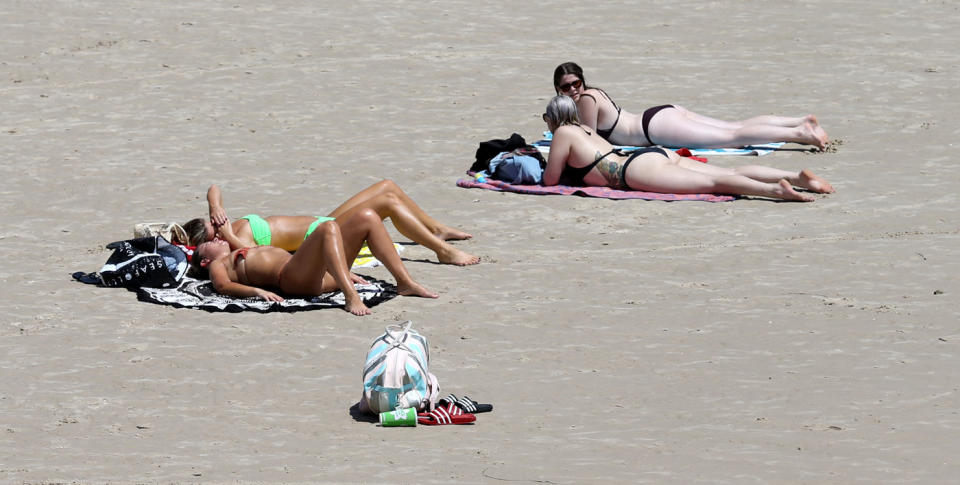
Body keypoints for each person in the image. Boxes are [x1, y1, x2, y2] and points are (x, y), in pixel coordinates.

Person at [542, 95, 834, 202]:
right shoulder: (585, 129)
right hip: (650, 154)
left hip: (634, 171)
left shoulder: (563, 133)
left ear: (550, 119)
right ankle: (795, 176)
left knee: (715, 182)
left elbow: (550, 180)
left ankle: (777, 191)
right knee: (726, 169)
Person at [192, 209, 438, 316]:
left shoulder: (236, 244)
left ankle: (404, 282)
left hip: (314, 273)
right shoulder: (219, 264)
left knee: (367, 217)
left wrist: (220, 220)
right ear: (204, 260)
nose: (218, 240)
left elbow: (214, 190)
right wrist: (257, 291)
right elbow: (223, 287)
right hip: (291, 278)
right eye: (211, 243)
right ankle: (351, 296)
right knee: (327, 228)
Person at [182, 180, 479, 266]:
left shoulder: (226, 223)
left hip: (325, 219)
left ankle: (435, 229)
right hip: (326, 234)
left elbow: (214, 186)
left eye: (215, 226)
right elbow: (251, 253)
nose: (220, 230)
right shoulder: (235, 249)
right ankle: (442, 251)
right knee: (387, 204)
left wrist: (215, 206)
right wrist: (229, 239)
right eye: (214, 235)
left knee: (388, 186)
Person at [552, 62, 829, 150]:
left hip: (655, 128)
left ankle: (800, 134)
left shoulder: (587, 99)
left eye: (576, 83)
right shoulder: (593, 94)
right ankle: (799, 121)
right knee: (735, 127)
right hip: (659, 116)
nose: (573, 89)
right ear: (558, 90)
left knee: (733, 137)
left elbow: (587, 139)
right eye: (567, 87)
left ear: (582, 82)